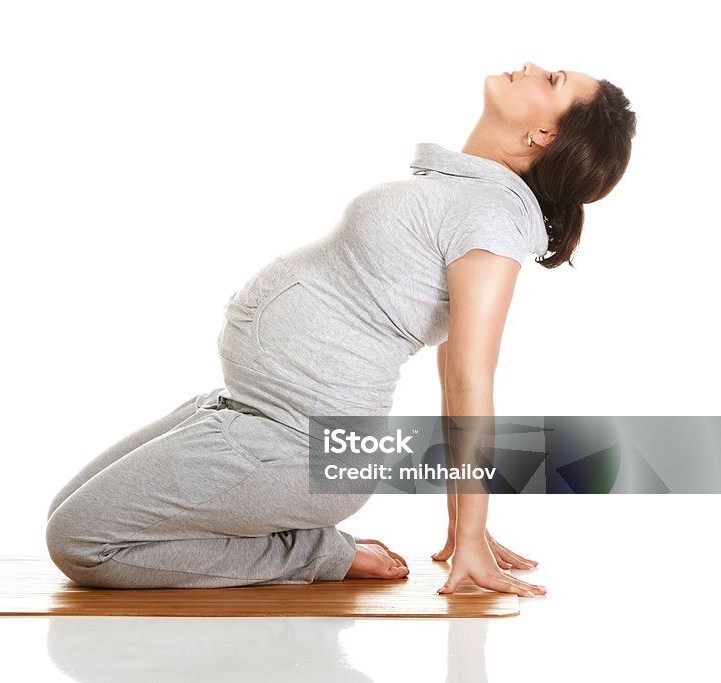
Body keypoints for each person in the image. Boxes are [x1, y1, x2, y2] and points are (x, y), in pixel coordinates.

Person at [45, 62, 636, 595]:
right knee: (65, 512)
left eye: (553, 80)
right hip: (247, 410)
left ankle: (319, 552)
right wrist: (460, 529)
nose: (532, 65)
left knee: (81, 543)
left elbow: (467, 384)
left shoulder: (491, 218)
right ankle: (317, 542)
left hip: (295, 443)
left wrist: (474, 536)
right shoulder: (464, 194)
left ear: (543, 136)